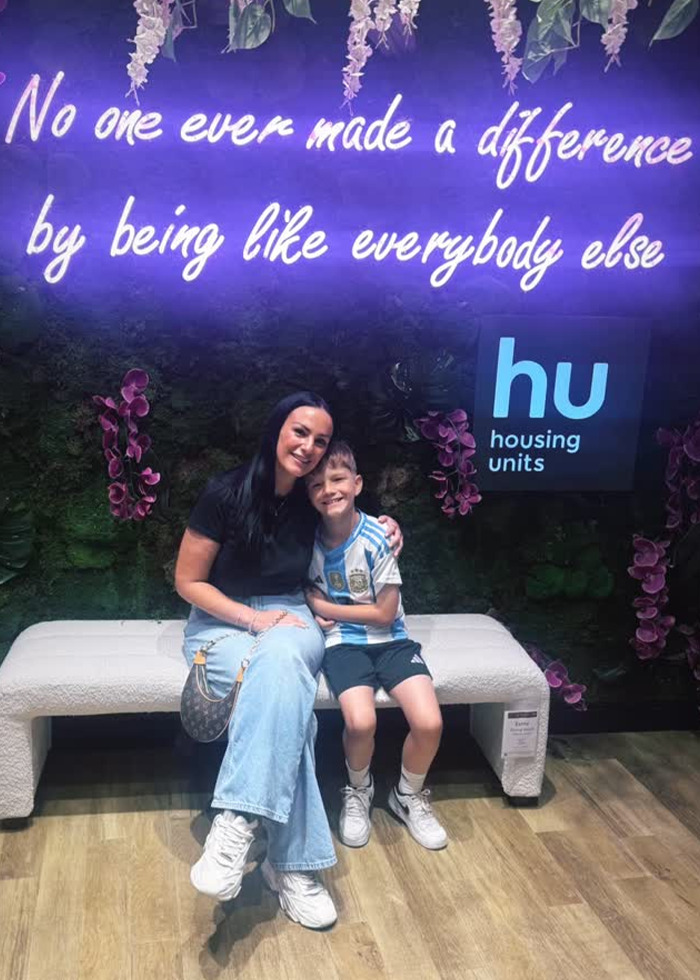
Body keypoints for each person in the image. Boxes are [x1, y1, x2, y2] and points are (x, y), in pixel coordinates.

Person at [175, 392, 401, 931]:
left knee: (280, 665)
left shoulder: (311, 500)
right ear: (277, 428)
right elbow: (188, 582)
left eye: (320, 441)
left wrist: (391, 527)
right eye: (301, 432)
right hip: (220, 624)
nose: (309, 448)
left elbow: (357, 526)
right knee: (289, 707)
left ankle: (233, 822)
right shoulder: (225, 492)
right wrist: (252, 621)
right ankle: (291, 866)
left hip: (293, 617)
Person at [305, 441, 448, 851]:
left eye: (337, 479)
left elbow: (385, 614)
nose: (329, 490)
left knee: (429, 723)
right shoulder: (308, 541)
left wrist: (322, 604)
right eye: (316, 484)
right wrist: (311, 605)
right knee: (361, 723)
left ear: (357, 482)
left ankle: (407, 794)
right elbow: (301, 584)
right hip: (342, 645)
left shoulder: (376, 536)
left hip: (393, 642)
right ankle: (358, 788)